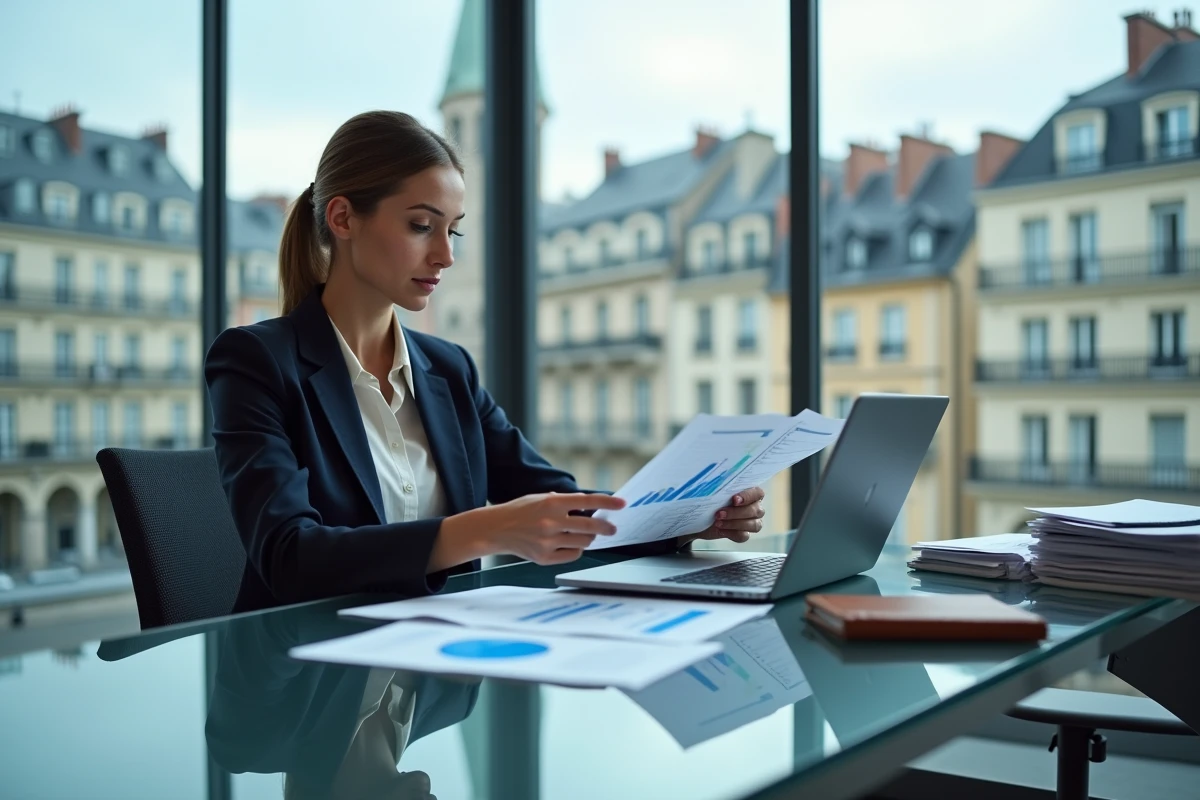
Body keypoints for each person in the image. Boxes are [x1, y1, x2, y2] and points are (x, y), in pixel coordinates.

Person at [205, 110, 765, 613]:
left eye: (453, 230)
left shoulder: (449, 370)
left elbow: (560, 504)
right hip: (301, 677)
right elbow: (288, 556)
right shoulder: (256, 361)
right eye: (421, 226)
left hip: (434, 669)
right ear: (344, 218)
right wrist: (483, 530)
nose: (446, 255)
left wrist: (690, 518)